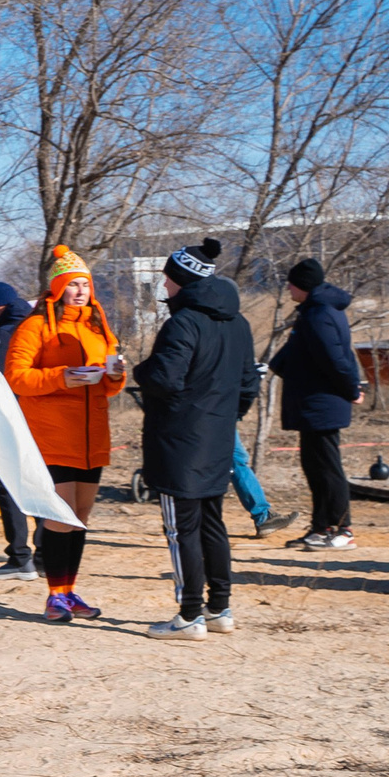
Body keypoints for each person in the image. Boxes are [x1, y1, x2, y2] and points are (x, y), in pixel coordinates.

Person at [134, 239, 262, 640]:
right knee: (212, 523)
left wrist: (138, 372)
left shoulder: (183, 323)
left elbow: (165, 377)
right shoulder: (237, 323)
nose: (165, 288)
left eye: (167, 281)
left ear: (180, 281)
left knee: (181, 529)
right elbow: (248, 384)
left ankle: (190, 614)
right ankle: (219, 608)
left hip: (179, 443)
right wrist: (223, 418)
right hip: (218, 438)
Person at [2, 247, 127, 623]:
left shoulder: (97, 326)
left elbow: (107, 387)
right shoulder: (35, 326)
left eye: (84, 285)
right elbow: (16, 377)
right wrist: (62, 376)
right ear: (57, 287)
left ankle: (70, 590)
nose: (80, 291)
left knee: (81, 515)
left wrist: (116, 375)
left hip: (92, 437)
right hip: (52, 433)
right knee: (60, 514)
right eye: (73, 284)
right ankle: (55, 595)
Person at [271, 257, 363, 550]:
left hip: (323, 403)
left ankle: (342, 529)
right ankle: (321, 527)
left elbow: (335, 359)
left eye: (292, 283)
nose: (288, 288)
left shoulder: (319, 315)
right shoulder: (312, 313)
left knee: (327, 467)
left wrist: (352, 389)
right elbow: (296, 355)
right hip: (314, 402)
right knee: (314, 466)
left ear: (304, 286)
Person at [0, 282, 38, 579]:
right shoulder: (35, 324)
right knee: (38, 482)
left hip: (12, 418)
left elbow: (1, 380)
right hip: (38, 417)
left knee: (8, 484)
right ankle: (46, 554)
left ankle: (19, 557)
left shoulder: (6, 332)